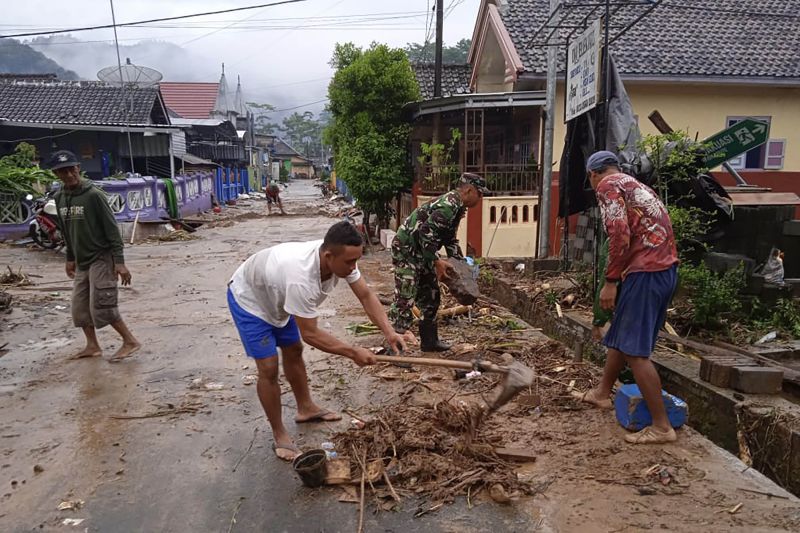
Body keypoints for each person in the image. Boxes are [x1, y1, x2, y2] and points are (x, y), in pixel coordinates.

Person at [227, 221, 407, 461]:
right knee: (268, 366)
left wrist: (389, 332)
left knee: (293, 349)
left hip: (277, 298)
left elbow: (365, 295)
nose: (353, 267)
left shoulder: (341, 260)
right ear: (328, 255)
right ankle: (280, 434)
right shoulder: (300, 278)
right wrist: (353, 352)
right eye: (349, 262)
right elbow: (310, 333)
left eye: (356, 261)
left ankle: (306, 408)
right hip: (250, 300)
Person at [578, 151, 679, 444]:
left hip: (646, 272)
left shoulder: (608, 185)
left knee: (635, 352)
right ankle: (601, 393)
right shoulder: (636, 185)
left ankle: (662, 427)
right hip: (663, 270)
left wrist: (610, 281)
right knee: (622, 338)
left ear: (593, 174)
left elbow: (619, 233)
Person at [50, 150, 141, 362]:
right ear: (57, 174)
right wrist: (69, 258)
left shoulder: (94, 195)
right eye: (63, 171)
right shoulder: (60, 197)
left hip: (101, 256)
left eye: (71, 169)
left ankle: (130, 341)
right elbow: (67, 231)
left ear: (78, 168)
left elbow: (112, 230)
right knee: (79, 308)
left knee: (102, 304)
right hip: (82, 260)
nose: (69, 174)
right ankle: (92, 345)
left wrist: (119, 263)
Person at [389, 173, 488, 351]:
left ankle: (429, 342)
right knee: (405, 299)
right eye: (480, 194)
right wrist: (437, 262)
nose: (480, 199)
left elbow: (449, 239)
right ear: (469, 190)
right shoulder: (448, 206)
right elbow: (425, 234)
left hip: (423, 252)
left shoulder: (458, 208)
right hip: (408, 250)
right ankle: (394, 349)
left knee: (431, 296)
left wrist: (461, 266)